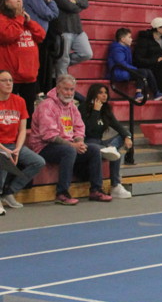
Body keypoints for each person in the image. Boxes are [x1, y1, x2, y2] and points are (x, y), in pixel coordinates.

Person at [27, 74, 112, 205]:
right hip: (44, 146)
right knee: (69, 151)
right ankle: (62, 193)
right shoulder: (46, 106)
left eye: (72, 90)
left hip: (67, 144)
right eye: (66, 89)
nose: (69, 93)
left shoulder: (72, 106)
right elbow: (49, 135)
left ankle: (96, 190)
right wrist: (72, 145)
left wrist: (79, 142)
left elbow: (79, 126)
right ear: (58, 88)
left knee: (94, 149)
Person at [0, 69, 46, 213]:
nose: (9, 83)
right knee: (3, 161)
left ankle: (9, 192)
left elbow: (22, 130)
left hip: (13, 144)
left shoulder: (19, 101)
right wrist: (5, 151)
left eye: (10, 80)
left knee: (38, 162)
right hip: (1, 146)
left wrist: (18, 149)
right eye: (4, 80)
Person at [80, 83, 134, 199]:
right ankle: (109, 150)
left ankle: (116, 186)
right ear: (93, 94)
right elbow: (88, 130)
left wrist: (127, 137)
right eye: (100, 93)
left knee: (123, 136)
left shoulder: (106, 109)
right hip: (88, 142)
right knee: (115, 154)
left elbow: (117, 125)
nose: (104, 95)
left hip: (100, 142)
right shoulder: (83, 107)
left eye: (105, 93)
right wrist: (95, 111)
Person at [0, 0, 46, 117]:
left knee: (29, 112)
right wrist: (20, 19)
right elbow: (7, 35)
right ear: (6, 2)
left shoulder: (25, 20)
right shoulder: (2, 19)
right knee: (9, 112)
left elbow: (41, 35)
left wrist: (29, 22)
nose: (19, 0)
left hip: (29, 75)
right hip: (11, 77)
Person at [47, 0, 94, 77]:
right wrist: (77, 4)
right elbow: (69, 7)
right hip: (62, 30)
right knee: (63, 60)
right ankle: (60, 84)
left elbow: (86, 2)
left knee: (87, 53)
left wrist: (76, 2)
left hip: (77, 29)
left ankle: (56, 65)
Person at [22, 0, 60, 93]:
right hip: (35, 34)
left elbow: (55, 13)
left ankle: (41, 90)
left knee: (44, 65)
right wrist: (49, 4)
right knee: (39, 65)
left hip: (42, 34)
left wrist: (48, 0)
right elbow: (48, 14)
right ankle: (37, 91)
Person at [107, 28, 162, 101]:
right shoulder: (117, 49)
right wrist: (135, 69)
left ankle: (156, 93)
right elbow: (121, 63)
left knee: (148, 71)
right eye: (129, 37)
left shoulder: (126, 47)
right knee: (142, 72)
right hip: (118, 72)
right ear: (122, 39)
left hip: (124, 70)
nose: (131, 39)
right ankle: (138, 94)